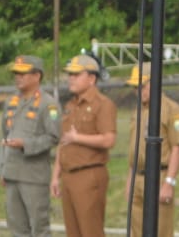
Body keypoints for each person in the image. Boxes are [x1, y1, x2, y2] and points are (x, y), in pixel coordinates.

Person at [50, 55, 117, 237]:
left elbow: (109, 140)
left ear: (92, 78)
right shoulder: (71, 105)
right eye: (70, 75)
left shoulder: (102, 104)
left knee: (90, 231)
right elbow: (63, 142)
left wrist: (78, 138)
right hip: (69, 175)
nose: (70, 79)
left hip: (89, 174)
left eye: (76, 75)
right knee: (73, 232)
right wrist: (56, 175)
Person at [0, 54, 60, 237]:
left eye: (23, 73)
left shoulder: (49, 105)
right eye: (16, 73)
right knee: (17, 227)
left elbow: (54, 137)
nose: (18, 77)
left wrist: (26, 144)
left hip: (33, 176)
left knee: (39, 228)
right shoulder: (11, 102)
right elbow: (4, 136)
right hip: (12, 173)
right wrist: (2, 168)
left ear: (37, 76)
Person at [124, 63, 179, 237]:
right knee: (136, 231)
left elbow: (177, 147)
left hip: (158, 176)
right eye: (135, 87)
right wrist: (130, 180)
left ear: (155, 82)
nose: (137, 91)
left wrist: (169, 182)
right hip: (138, 177)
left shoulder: (170, 109)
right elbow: (134, 149)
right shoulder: (139, 110)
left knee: (160, 230)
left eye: (141, 86)